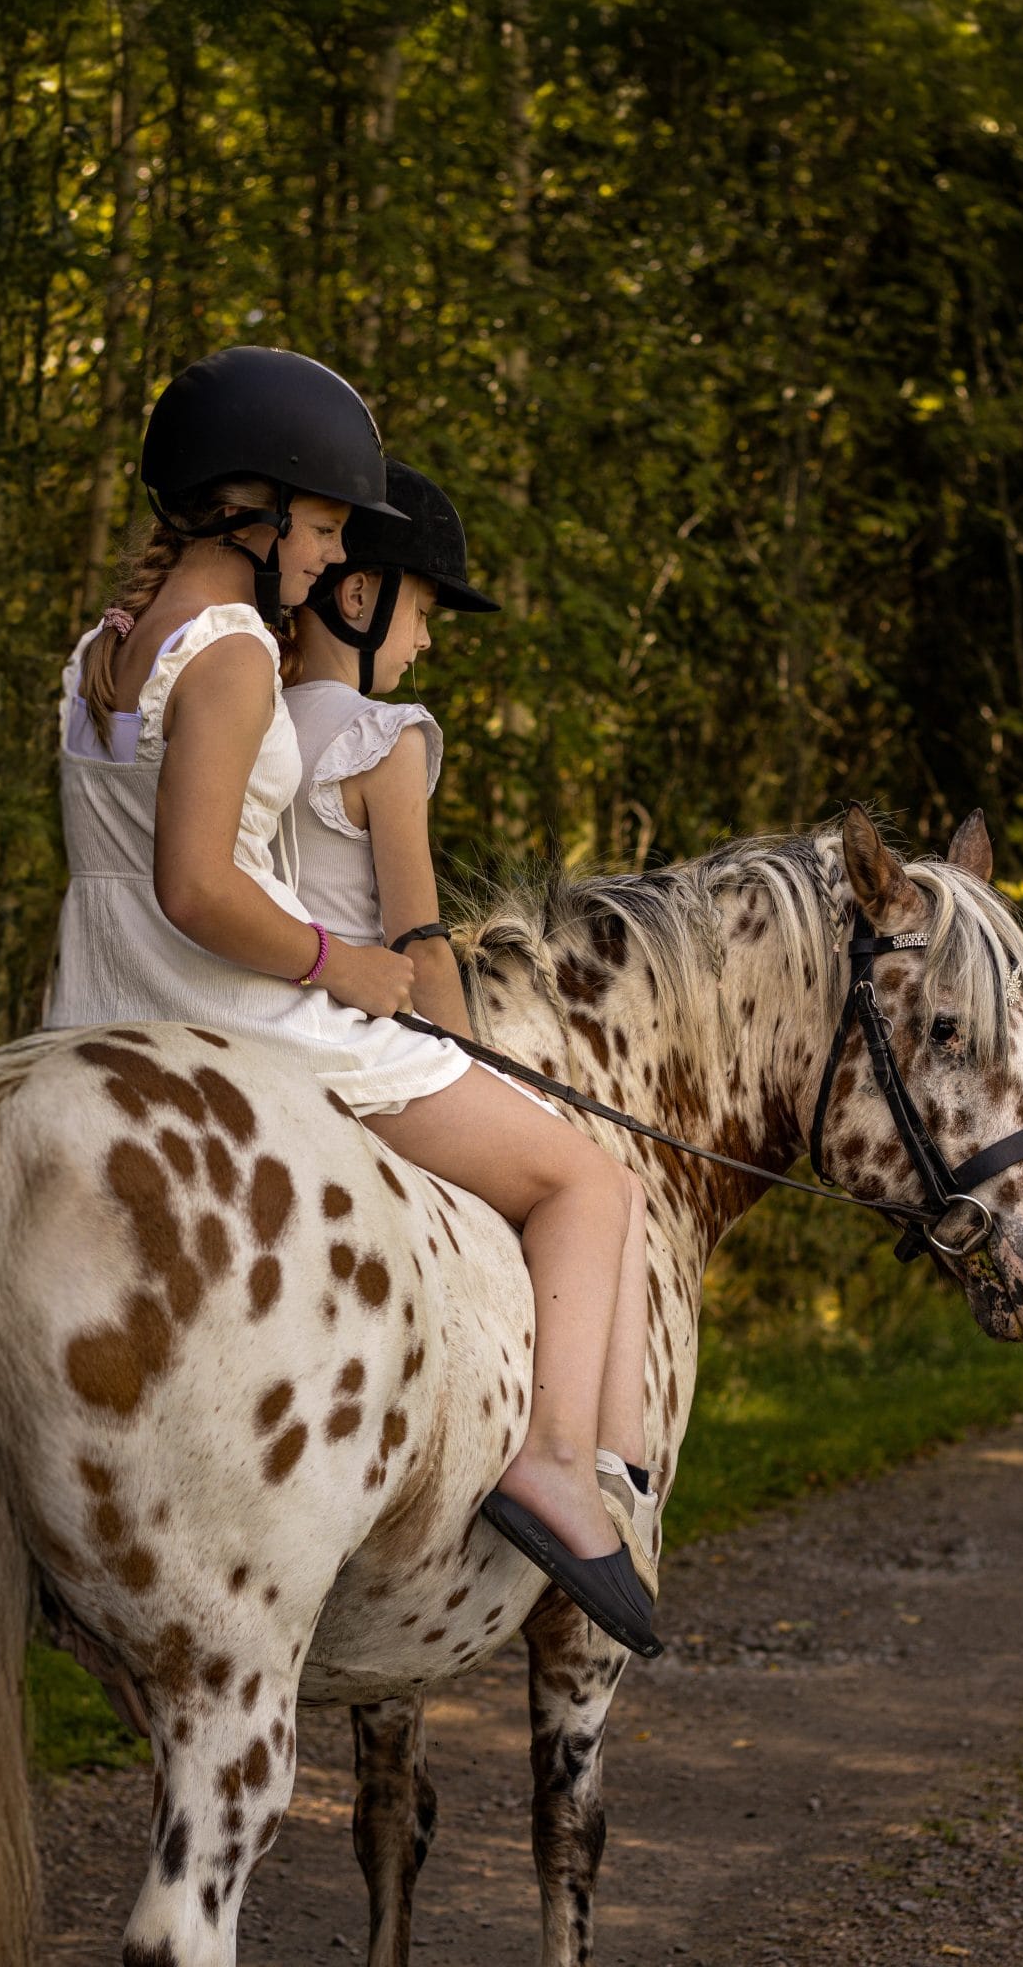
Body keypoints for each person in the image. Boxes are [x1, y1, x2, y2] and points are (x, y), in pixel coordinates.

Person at [46, 348, 657, 1653]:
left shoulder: (102, 653)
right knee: (585, 1181)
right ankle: (557, 1461)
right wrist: (352, 968)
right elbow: (202, 890)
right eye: (322, 526)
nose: (330, 559)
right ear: (250, 514)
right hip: (236, 1012)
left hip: (94, 1018)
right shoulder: (230, 660)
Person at [284, 458, 661, 1588]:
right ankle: (574, 1461)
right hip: (361, 1046)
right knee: (599, 1184)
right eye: (424, 611)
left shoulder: (244, 722)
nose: (427, 642)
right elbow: (416, 937)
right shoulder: (382, 735)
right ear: (357, 599)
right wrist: (482, 1064)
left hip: (258, 1023)